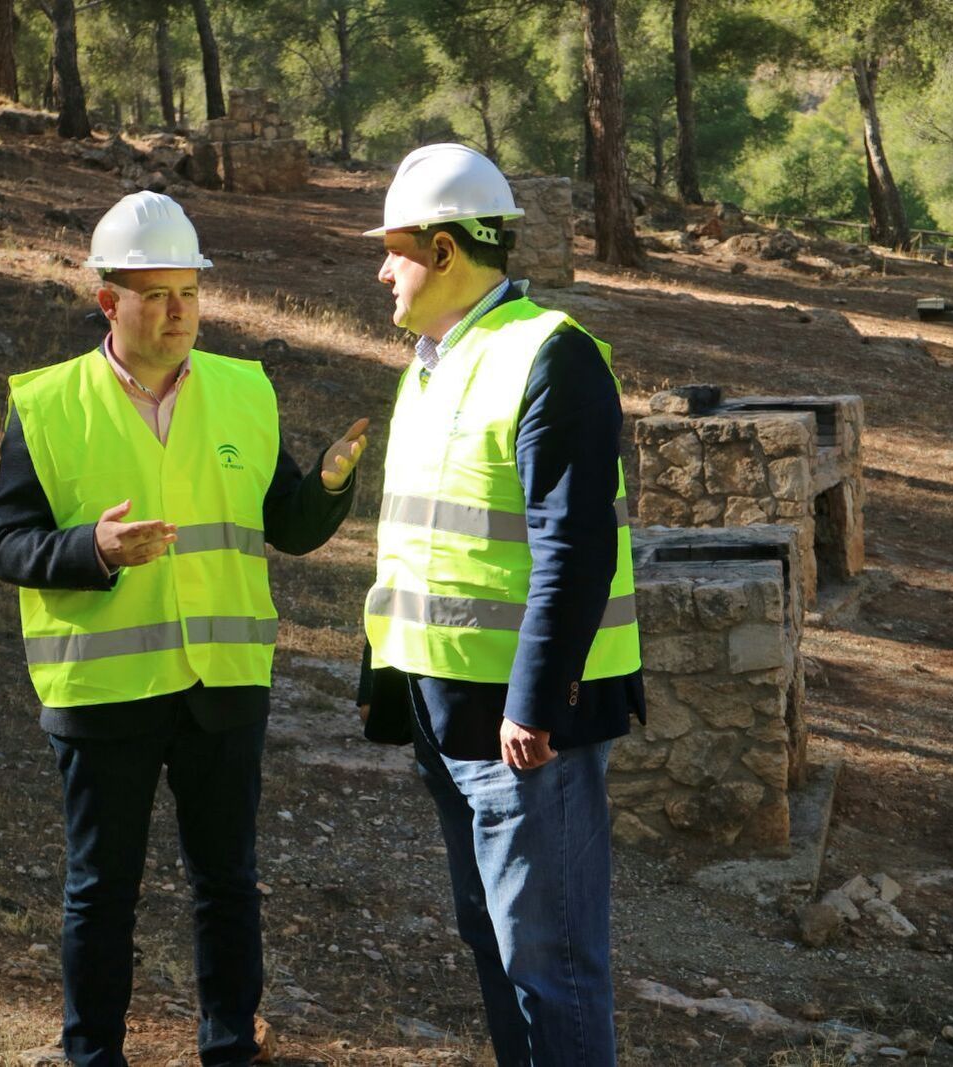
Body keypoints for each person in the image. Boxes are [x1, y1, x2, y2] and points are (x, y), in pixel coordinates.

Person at [0, 190, 368, 1067]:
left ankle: (230, 1045)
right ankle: (93, 1054)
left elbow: (288, 526)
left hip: (222, 685)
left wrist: (330, 484)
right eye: (155, 294)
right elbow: (7, 544)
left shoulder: (243, 391)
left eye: (189, 292)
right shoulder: (47, 404)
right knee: (101, 890)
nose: (177, 311)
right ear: (107, 301)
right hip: (103, 690)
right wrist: (92, 549)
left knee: (227, 883)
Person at [356, 144, 644, 1067]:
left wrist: (536, 700)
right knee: (495, 941)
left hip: (525, 731)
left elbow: (576, 546)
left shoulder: (549, 355)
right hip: (447, 712)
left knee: (549, 962)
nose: (383, 271)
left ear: (444, 251)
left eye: (395, 251)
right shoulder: (433, 366)